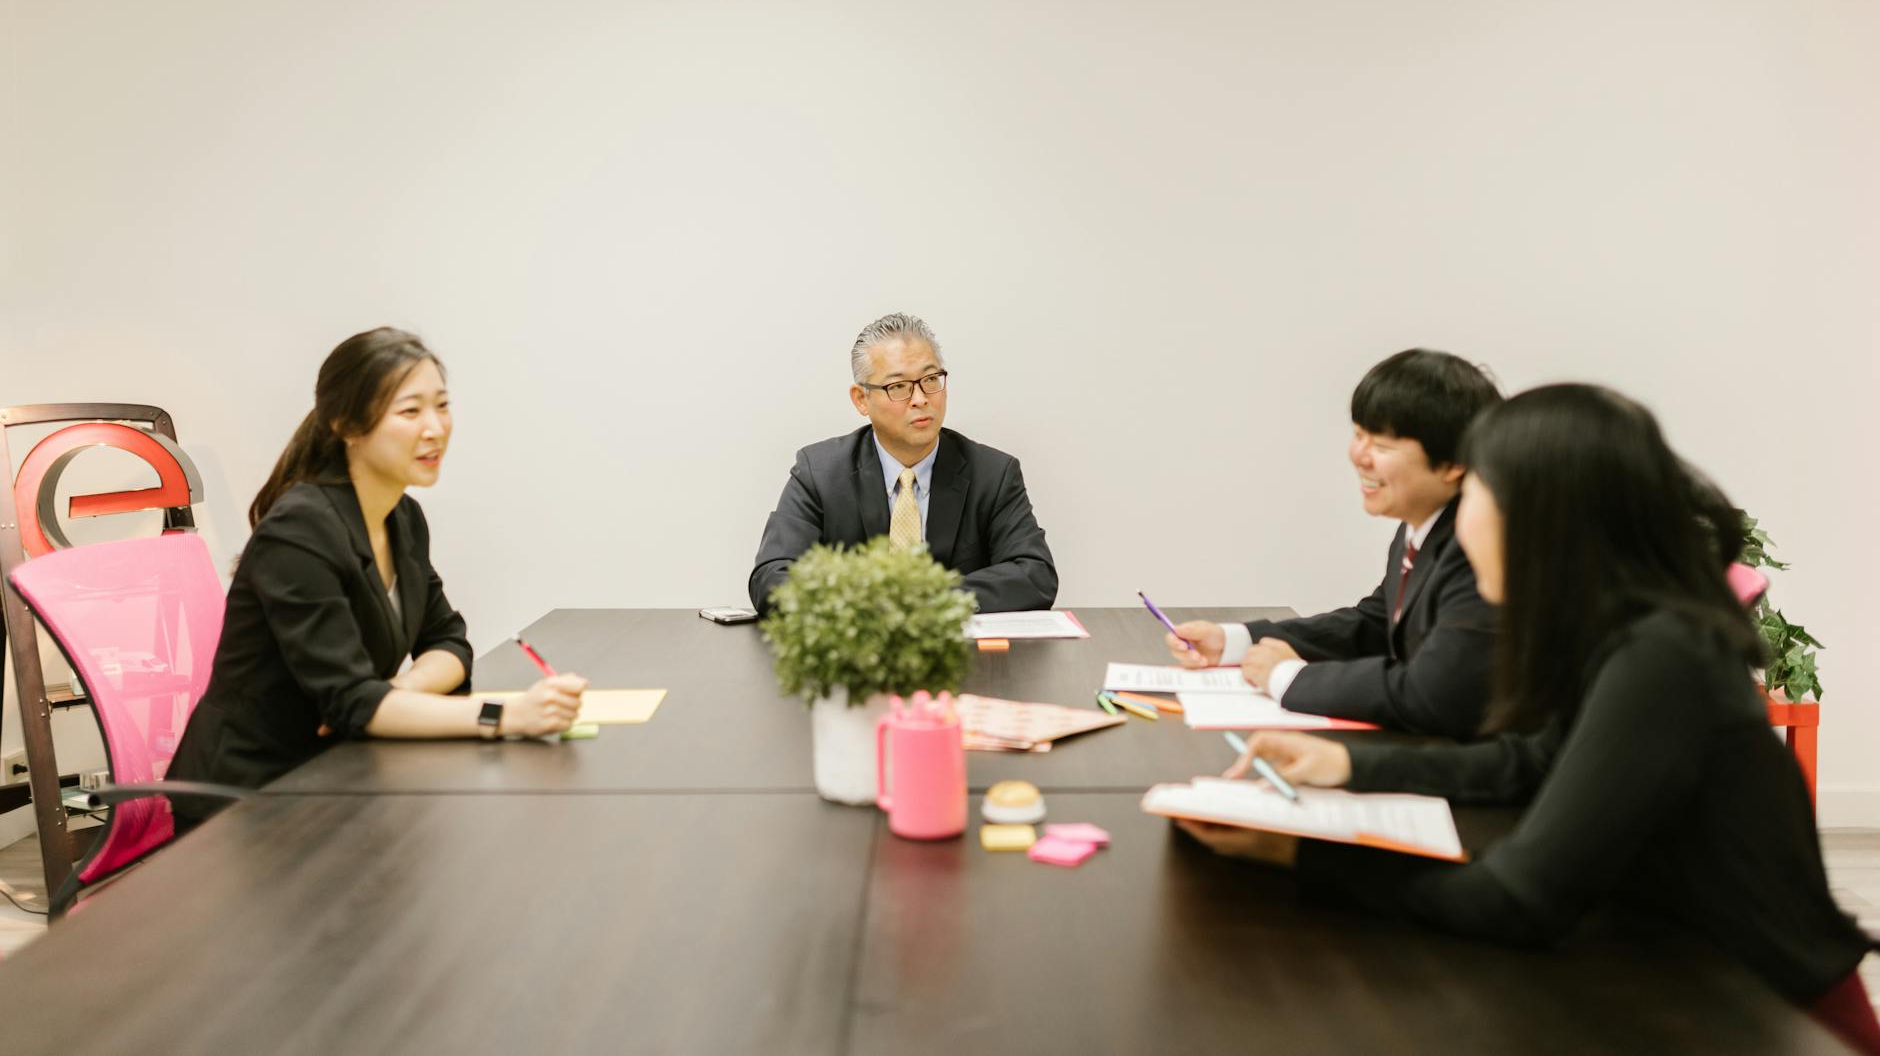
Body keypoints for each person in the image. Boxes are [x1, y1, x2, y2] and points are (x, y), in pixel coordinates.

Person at [1175, 385, 1879, 1052]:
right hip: (1682, 980)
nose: (1459, 517)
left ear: (1541, 514)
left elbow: (1519, 897)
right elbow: (1531, 759)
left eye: (1475, 490)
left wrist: (1299, 853)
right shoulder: (1620, 632)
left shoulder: (1662, 657)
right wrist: (1347, 762)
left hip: (1767, 1017)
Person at [167, 328, 585, 822]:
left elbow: (450, 644)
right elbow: (354, 703)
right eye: (410, 412)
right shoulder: (298, 533)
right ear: (346, 425)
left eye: (442, 405)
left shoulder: (402, 517)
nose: (434, 428)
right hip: (248, 799)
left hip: (335, 773)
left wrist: (393, 697)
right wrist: (507, 715)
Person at [1164, 349, 1502, 738]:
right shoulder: (1422, 525)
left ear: (1453, 463)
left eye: (1383, 445)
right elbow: (1375, 623)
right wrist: (1237, 641)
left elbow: (1430, 692)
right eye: (1359, 434)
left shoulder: (1479, 547)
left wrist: (1289, 678)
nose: (1359, 456)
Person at [749, 312, 1056, 614]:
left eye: (931, 379)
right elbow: (771, 578)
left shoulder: (993, 474)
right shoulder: (819, 472)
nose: (921, 398)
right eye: (898, 387)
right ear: (861, 399)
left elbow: (1035, 574)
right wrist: (868, 603)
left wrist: (928, 598)